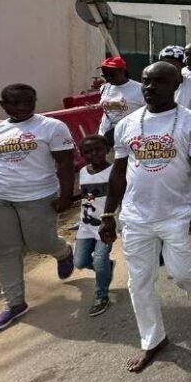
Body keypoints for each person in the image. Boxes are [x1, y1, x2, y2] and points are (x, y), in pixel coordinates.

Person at [98, 62, 191, 372]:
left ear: (176, 85)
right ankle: (153, 339)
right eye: (147, 81)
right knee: (139, 281)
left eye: (159, 81)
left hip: (178, 213)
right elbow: (119, 173)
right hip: (136, 216)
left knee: (181, 272)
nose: (150, 87)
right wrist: (109, 213)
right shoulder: (127, 124)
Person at [0, 84, 76, 332]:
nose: (21, 108)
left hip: (37, 195)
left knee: (39, 243)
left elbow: (65, 163)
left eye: (27, 102)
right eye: (14, 103)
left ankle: (62, 251)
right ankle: (14, 304)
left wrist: (66, 196)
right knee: (2, 251)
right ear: (3, 105)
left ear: (35, 101)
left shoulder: (51, 127)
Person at [74, 134, 114, 316]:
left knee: (99, 259)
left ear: (107, 149)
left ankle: (101, 296)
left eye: (98, 149)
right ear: (81, 154)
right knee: (80, 261)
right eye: (88, 151)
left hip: (105, 225)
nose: (93, 154)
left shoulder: (115, 171)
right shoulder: (83, 172)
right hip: (85, 226)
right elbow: (86, 198)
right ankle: (106, 267)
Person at [97, 57, 144, 145]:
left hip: (128, 137)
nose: (108, 78)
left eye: (112, 74)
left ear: (122, 71)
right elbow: (106, 112)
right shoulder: (104, 88)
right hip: (105, 136)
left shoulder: (140, 89)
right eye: (104, 75)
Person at [158, 45, 191, 121]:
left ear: (182, 65)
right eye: (164, 64)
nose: (167, 68)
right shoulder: (156, 85)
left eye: (172, 65)